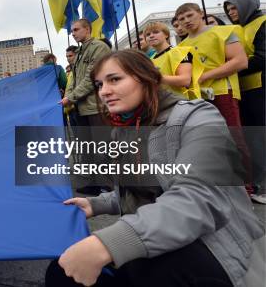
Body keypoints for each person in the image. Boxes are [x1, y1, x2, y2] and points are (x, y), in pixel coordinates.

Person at [46, 49, 265, 287]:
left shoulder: (198, 117)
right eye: (99, 84)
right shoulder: (124, 129)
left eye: (115, 79)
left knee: (147, 267)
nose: (104, 91)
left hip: (212, 248)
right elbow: (147, 190)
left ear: (147, 78)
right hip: (157, 244)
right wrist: (96, 204)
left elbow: (199, 197)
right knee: (61, 271)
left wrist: (108, 243)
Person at [176, 3, 252, 192]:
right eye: (181, 19)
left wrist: (206, 76)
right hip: (197, 97)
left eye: (189, 15)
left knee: (234, 139)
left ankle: (246, 187)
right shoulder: (182, 46)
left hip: (222, 92)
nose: (186, 21)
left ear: (201, 14)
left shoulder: (224, 32)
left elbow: (240, 61)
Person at [225, 0, 266, 204]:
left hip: (261, 87)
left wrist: (232, 66)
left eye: (235, 8)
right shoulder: (238, 29)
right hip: (246, 89)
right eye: (229, 9)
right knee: (251, 139)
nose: (232, 13)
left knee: (258, 137)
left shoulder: (263, 23)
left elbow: (262, 57)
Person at [62, 19, 111, 195]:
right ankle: (93, 183)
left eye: (76, 29)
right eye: (71, 30)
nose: (72, 33)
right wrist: (69, 97)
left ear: (87, 29)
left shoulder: (98, 47)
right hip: (81, 107)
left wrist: (71, 97)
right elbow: (74, 79)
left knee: (102, 147)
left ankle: (110, 185)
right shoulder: (81, 51)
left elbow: (92, 77)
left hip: (96, 107)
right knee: (87, 147)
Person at [144, 21, 200, 99]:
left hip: (182, 101)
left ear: (166, 35)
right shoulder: (149, 60)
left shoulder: (179, 51)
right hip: (161, 102)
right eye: (148, 34)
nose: (151, 36)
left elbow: (185, 80)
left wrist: (155, 77)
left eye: (156, 32)